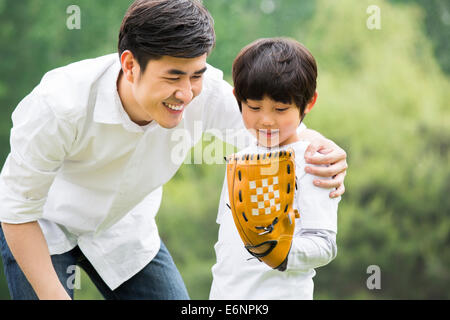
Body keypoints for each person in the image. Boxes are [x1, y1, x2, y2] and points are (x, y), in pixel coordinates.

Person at [0, 0, 347, 300]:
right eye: (173, 76)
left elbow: (273, 134)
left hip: (127, 229)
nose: (186, 93)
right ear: (130, 65)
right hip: (41, 227)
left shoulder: (206, 92)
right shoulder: (58, 105)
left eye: (196, 74)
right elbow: (16, 209)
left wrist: (323, 152)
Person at [209, 38, 340, 300]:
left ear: (309, 103)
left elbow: (325, 245)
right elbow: (227, 246)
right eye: (254, 107)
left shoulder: (314, 161)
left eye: (280, 109)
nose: (266, 120)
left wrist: (278, 251)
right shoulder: (239, 161)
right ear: (238, 99)